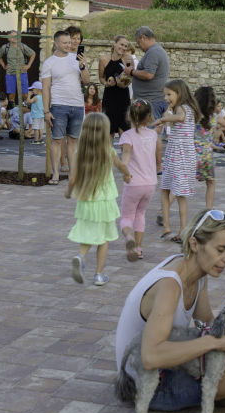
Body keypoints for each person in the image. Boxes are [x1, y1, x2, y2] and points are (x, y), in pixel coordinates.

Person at [115, 209, 225, 413]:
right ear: (195, 244)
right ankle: (208, 395)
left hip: (164, 367)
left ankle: (213, 393)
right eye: (221, 250)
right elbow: (150, 358)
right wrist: (217, 341)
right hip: (146, 384)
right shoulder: (170, 286)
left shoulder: (195, 270)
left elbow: (205, 321)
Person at [67, 113, 132, 286]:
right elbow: (122, 166)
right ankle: (99, 274)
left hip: (86, 201)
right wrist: (127, 175)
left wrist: (68, 192)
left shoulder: (78, 152)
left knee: (88, 232)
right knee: (103, 238)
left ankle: (81, 256)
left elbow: (72, 179)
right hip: (104, 201)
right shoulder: (108, 151)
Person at [151, 79, 200, 244]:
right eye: (165, 95)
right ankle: (171, 227)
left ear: (180, 93)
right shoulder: (178, 109)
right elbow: (173, 123)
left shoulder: (183, 108)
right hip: (176, 155)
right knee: (167, 190)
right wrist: (165, 119)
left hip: (181, 156)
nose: (166, 98)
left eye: (169, 94)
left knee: (177, 194)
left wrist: (164, 119)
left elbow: (180, 117)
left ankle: (180, 230)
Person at [42, 30, 89, 186]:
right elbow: (46, 88)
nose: (69, 45)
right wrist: (46, 111)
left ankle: (73, 175)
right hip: (58, 106)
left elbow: (87, 82)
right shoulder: (49, 62)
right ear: (56, 44)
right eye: (65, 42)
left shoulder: (77, 59)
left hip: (77, 105)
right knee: (57, 140)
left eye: (70, 42)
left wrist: (82, 66)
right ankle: (56, 174)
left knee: (74, 140)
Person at [119, 100, 157, 262]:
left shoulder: (127, 135)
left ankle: (129, 238)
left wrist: (124, 169)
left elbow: (126, 153)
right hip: (150, 184)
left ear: (129, 116)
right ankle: (139, 249)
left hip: (133, 183)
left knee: (127, 217)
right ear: (149, 118)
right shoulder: (153, 134)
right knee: (140, 213)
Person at [129, 26, 170, 167]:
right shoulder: (156, 51)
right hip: (152, 99)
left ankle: (156, 166)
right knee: (152, 135)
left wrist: (132, 72)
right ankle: (153, 166)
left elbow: (148, 74)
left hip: (152, 101)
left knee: (152, 135)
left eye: (138, 42)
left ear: (144, 38)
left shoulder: (154, 52)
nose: (139, 46)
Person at [99, 34, 133, 140]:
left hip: (123, 98)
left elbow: (130, 78)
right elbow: (101, 78)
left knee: (125, 134)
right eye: (121, 44)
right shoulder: (103, 59)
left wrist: (123, 83)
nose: (123, 48)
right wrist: (107, 84)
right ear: (114, 43)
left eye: (125, 46)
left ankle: (125, 157)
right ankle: (109, 157)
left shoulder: (128, 59)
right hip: (109, 98)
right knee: (108, 135)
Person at [194, 86, 221, 208]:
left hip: (193, 155)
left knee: (182, 183)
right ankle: (208, 210)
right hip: (208, 156)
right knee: (211, 183)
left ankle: (163, 210)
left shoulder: (193, 117)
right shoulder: (214, 118)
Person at [0, 30, 35, 108]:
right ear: (8, 39)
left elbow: (33, 54)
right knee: (11, 95)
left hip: (22, 73)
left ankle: (25, 112)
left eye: (16, 36)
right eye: (12, 36)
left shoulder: (23, 46)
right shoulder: (5, 47)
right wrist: (4, 66)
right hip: (10, 74)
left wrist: (28, 65)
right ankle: (12, 113)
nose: (15, 38)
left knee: (25, 94)